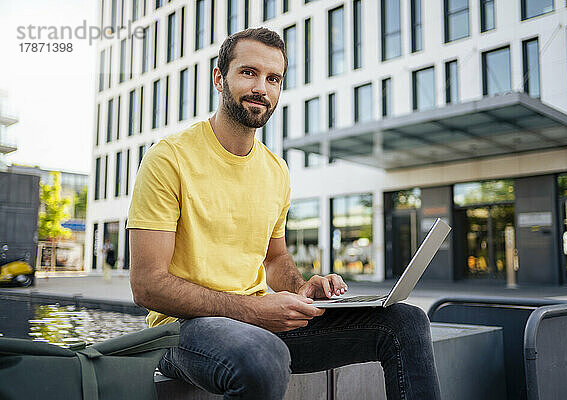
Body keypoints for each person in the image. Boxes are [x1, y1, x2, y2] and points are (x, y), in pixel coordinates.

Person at [127, 28, 441, 400]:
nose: (262, 87)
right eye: (248, 73)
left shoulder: (275, 170)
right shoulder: (169, 158)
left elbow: (274, 257)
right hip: (183, 330)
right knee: (262, 356)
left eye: (273, 78)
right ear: (218, 78)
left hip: (258, 322)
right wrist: (255, 311)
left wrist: (301, 288)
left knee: (405, 321)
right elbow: (147, 285)